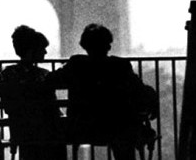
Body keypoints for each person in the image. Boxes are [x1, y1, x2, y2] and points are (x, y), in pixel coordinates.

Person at [47, 23, 155, 160]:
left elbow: (51, 80)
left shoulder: (76, 65)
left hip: (82, 128)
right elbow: (139, 89)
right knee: (126, 135)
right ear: (108, 46)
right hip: (116, 128)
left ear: (84, 46)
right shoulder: (120, 66)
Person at [0, 25, 66, 160]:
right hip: (45, 133)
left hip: (21, 132)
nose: (45, 52)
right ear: (31, 51)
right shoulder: (44, 75)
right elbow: (53, 109)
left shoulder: (5, 74)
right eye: (42, 48)